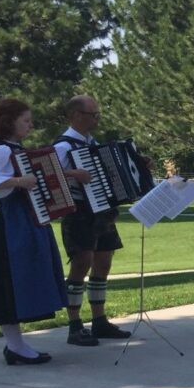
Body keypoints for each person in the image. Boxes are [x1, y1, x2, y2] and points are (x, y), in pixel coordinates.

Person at [0, 99, 75, 365]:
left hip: (28, 223)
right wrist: (18, 181)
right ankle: (15, 346)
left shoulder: (16, 150)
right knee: (8, 283)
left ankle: (16, 345)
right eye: (26, 121)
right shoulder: (0, 151)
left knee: (24, 280)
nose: (30, 126)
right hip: (10, 225)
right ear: (10, 121)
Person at [53, 95, 130, 346]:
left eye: (97, 114)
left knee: (104, 262)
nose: (97, 119)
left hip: (102, 210)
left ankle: (99, 321)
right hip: (78, 211)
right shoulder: (63, 146)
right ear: (76, 115)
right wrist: (74, 173)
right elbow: (45, 172)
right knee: (81, 263)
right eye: (92, 115)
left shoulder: (93, 143)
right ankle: (74, 325)